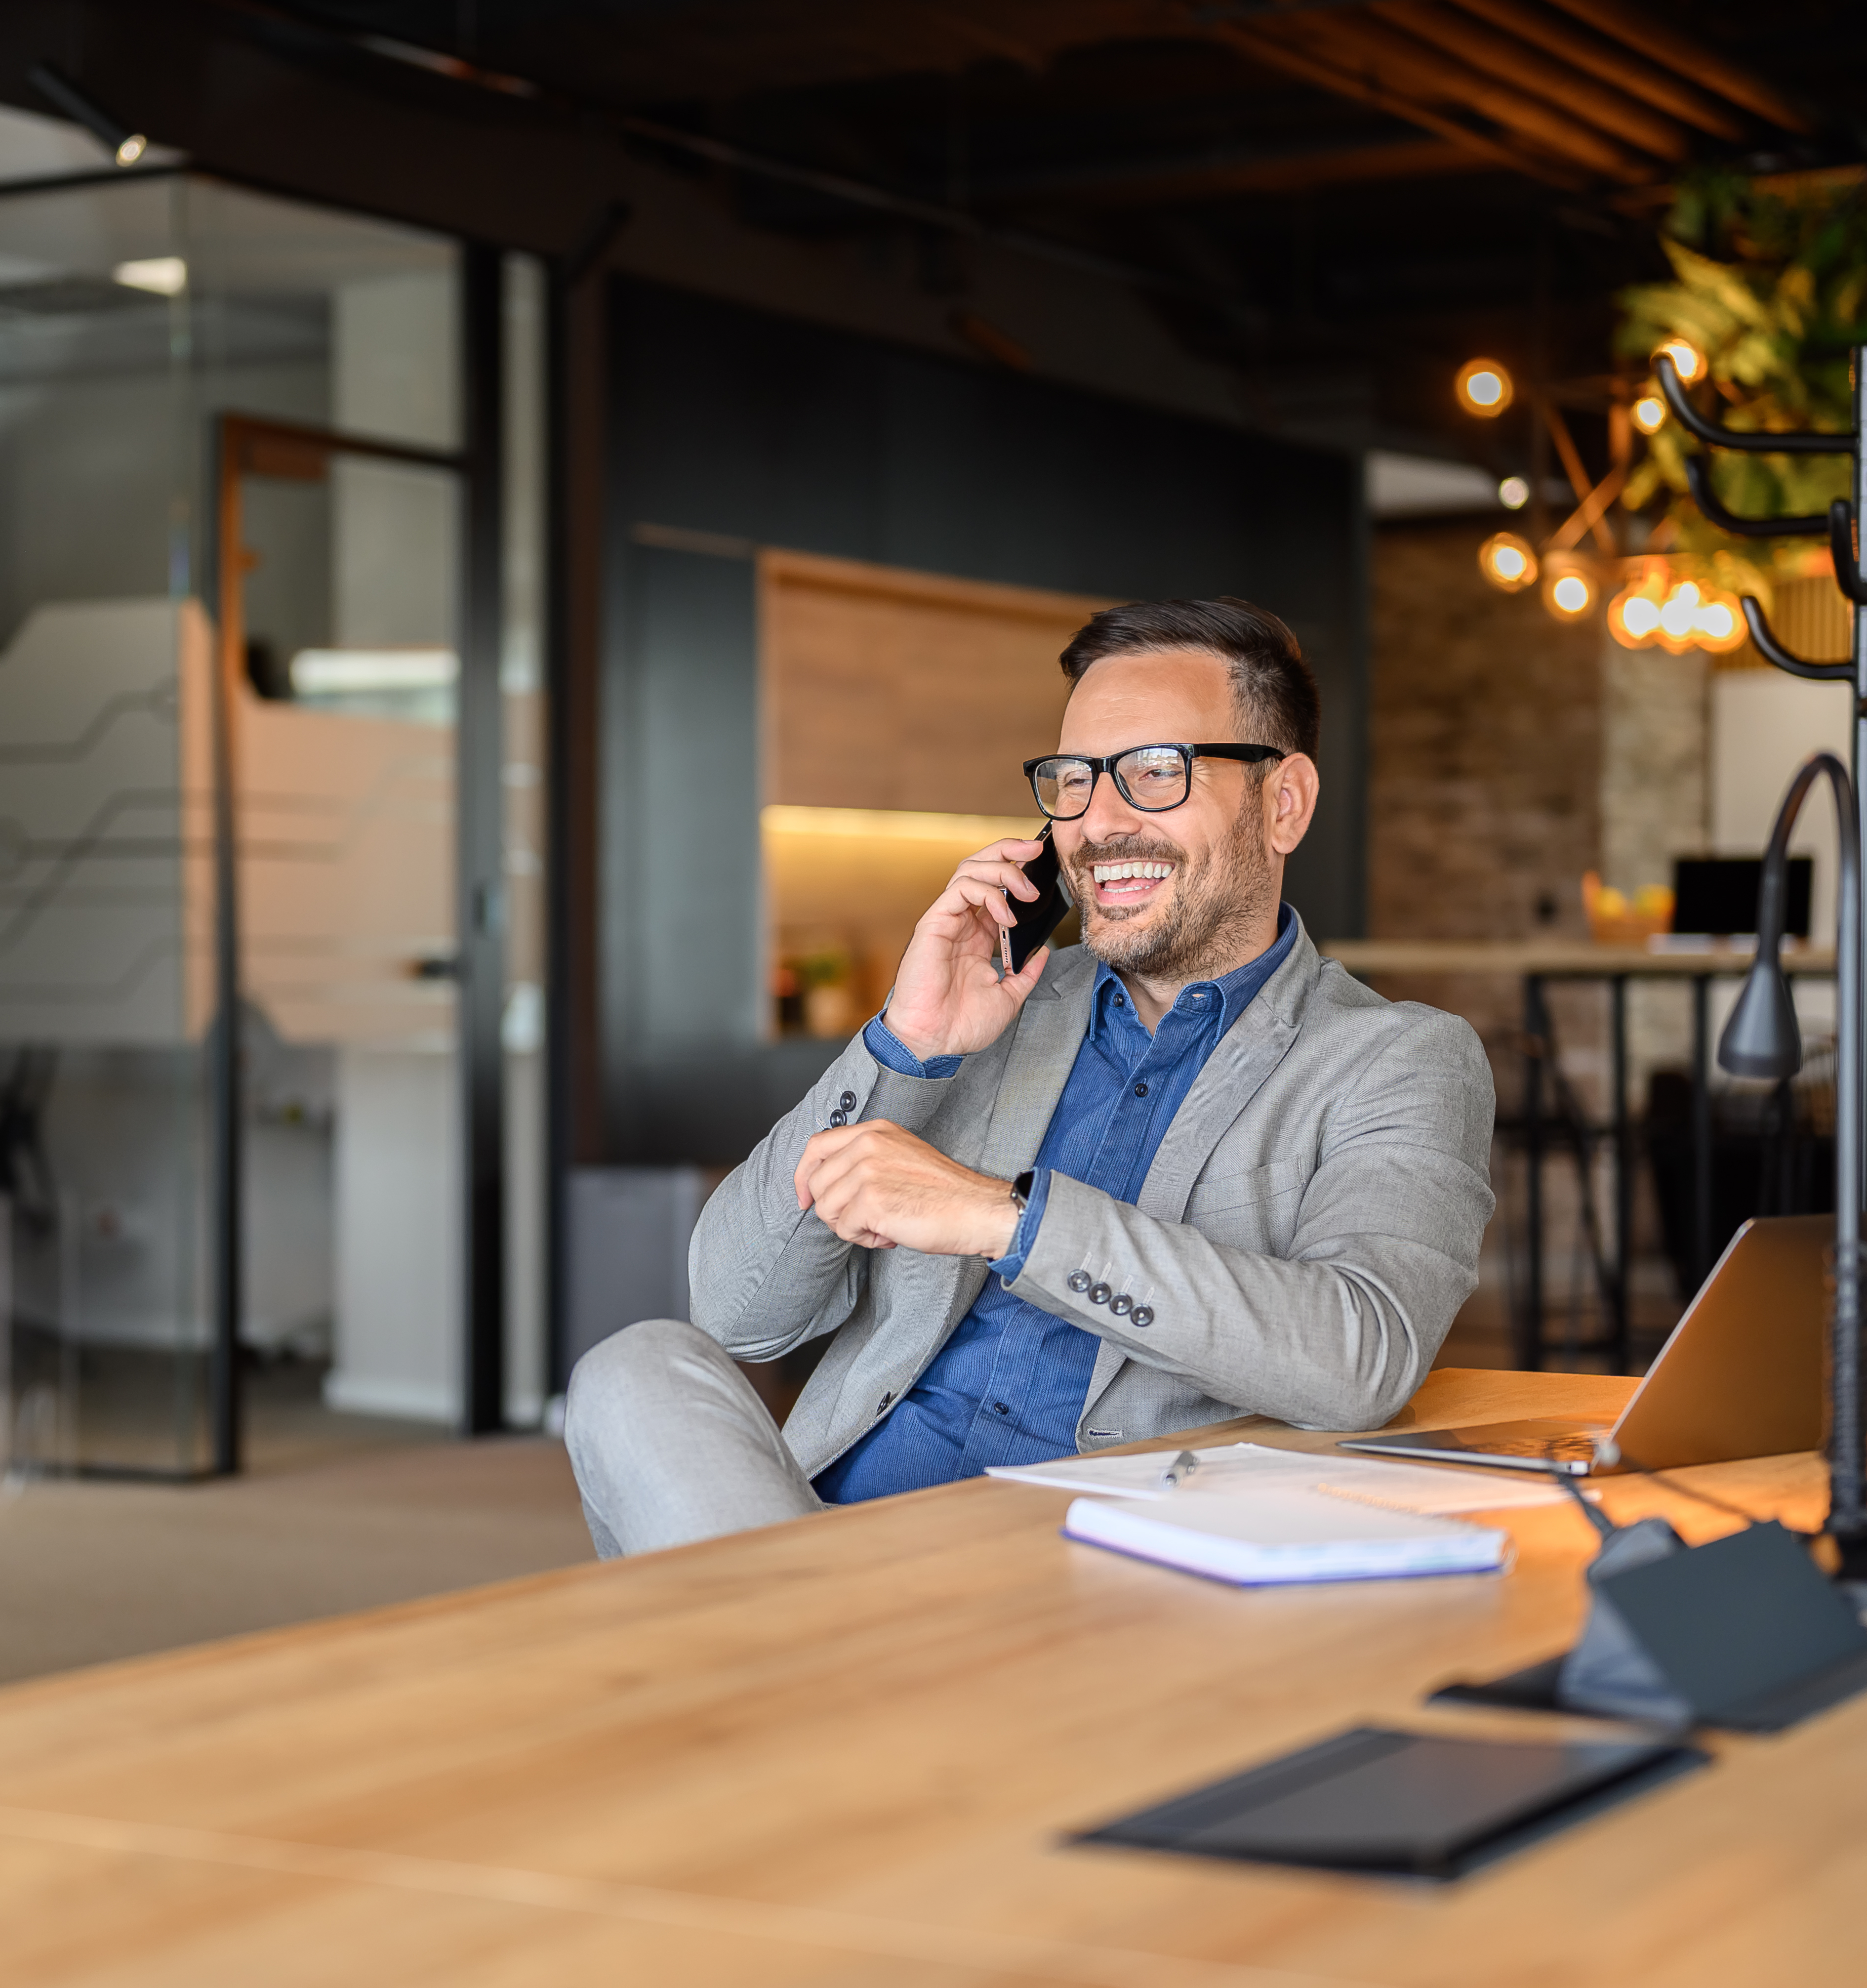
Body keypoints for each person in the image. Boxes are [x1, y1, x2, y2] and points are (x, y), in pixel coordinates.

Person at [565, 596, 1496, 1558]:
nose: (1097, 822)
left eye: (1153, 773)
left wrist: (1009, 1222)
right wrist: (905, 1041)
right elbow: (739, 1312)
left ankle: (802, 1667)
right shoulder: (992, 1013)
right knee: (639, 1362)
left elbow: (1359, 1359)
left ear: (1284, 802)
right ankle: (819, 1655)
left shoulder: (1395, 1058)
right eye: (1075, 779)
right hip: (839, 1533)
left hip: (1093, 1558)